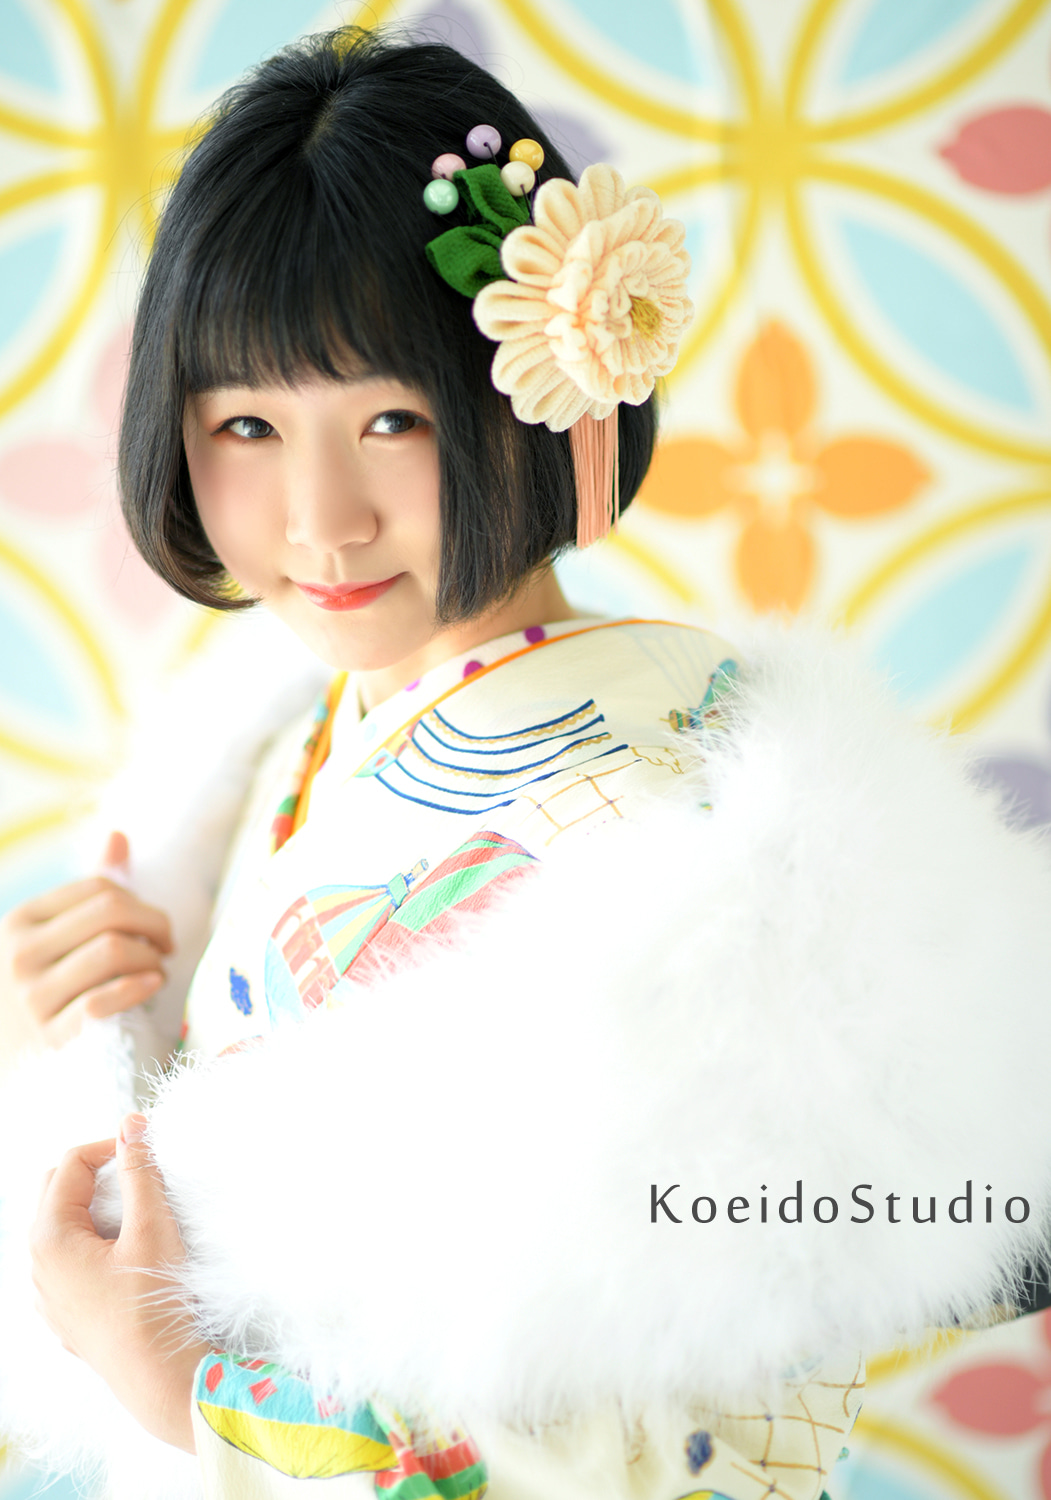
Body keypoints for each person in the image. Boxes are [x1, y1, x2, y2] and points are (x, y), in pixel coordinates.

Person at [2, 25, 1050, 1500]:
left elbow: (694, 1421)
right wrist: (95, 1032)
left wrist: (183, 1399)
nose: (320, 520)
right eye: (246, 423)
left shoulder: (683, 829)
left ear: (546, 397)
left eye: (392, 418)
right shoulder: (284, 741)